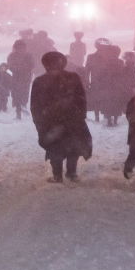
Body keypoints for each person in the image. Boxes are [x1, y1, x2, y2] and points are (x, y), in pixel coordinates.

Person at [29, 51, 93, 183]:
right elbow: (81, 98)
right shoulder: (72, 77)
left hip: (55, 120)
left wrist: (39, 120)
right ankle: (70, 173)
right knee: (71, 146)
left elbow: (35, 105)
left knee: (57, 147)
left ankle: (59, 175)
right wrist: (81, 114)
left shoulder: (41, 81)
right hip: (69, 119)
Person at [6, 39, 36, 120]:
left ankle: (19, 111)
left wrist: (19, 69)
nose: (20, 49)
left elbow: (10, 66)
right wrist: (23, 69)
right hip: (22, 77)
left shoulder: (14, 55)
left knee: (18, 95)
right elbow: (32, 65)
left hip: (20, 77)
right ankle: (21, 108)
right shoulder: (26, 55)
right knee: (21, 94)